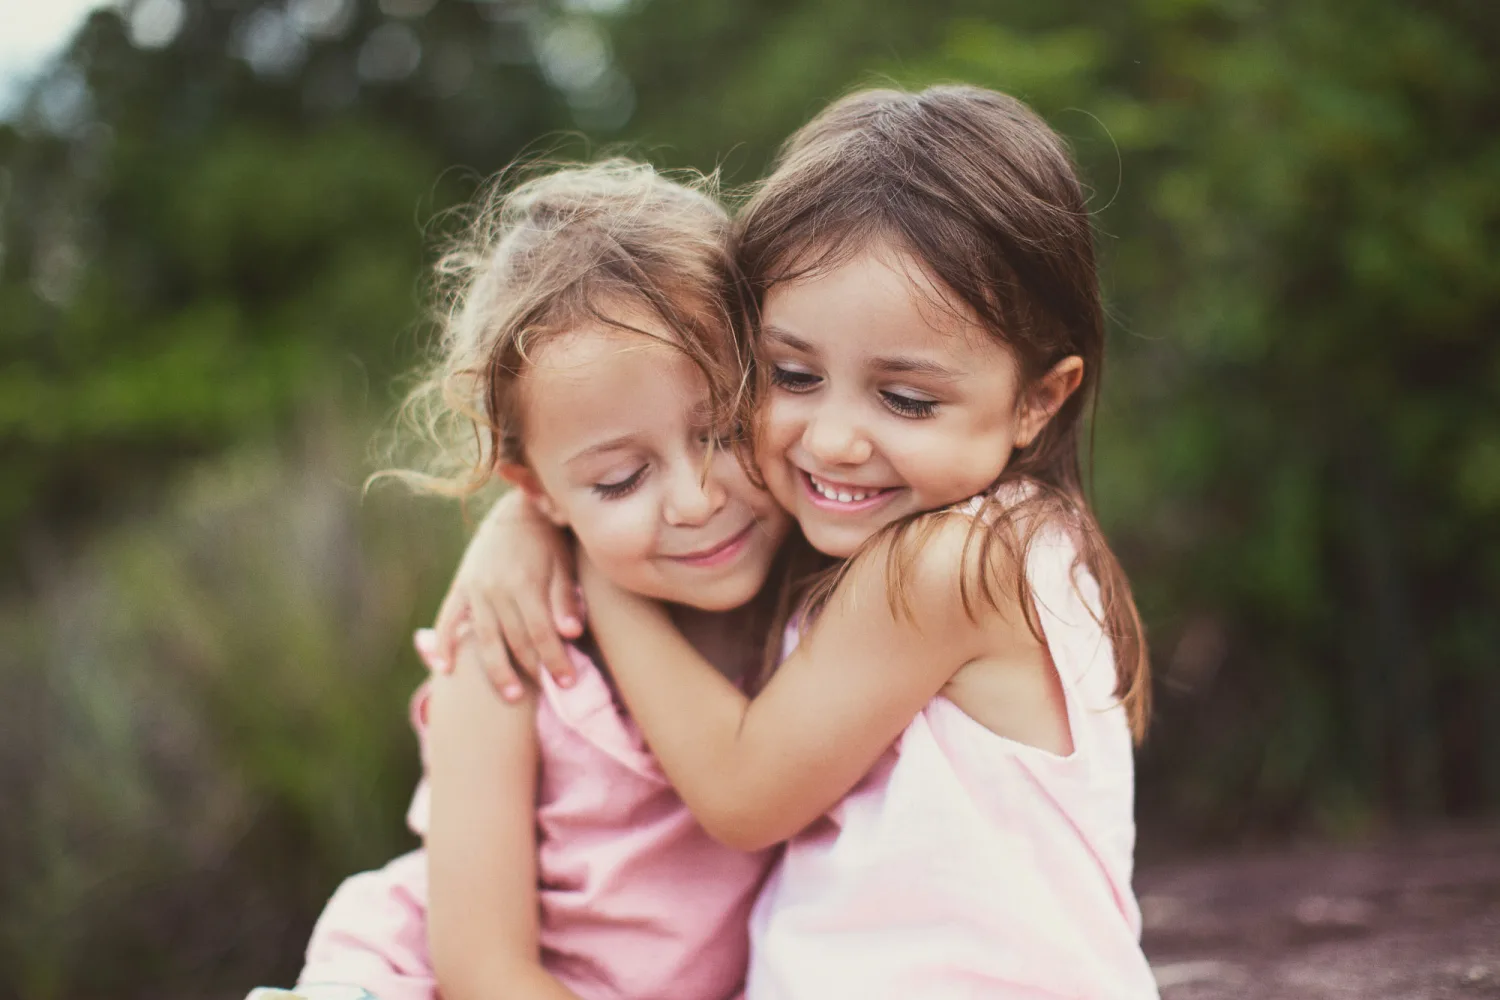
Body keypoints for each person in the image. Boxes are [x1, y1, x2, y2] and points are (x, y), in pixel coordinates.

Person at [428, 86, 1161, 998]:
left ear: (1038, 399)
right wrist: (531, 518)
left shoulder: (950, 564)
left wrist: (583, 554)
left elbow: (742, 793)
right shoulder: (876, 531)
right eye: (790, 376)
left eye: (906, 398)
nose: (834, 440)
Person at [251, 159, 790, 1000]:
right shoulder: (506, 651)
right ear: (539, 493)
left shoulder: (818, 589)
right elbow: (484, 971)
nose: (695, 500)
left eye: (724, 430)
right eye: (619, 481)